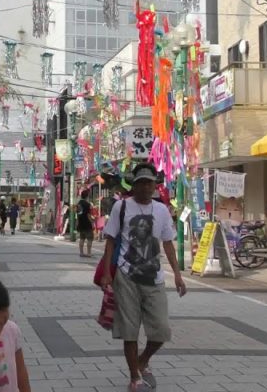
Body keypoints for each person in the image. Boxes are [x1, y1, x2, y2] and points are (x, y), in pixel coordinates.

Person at [100, 162, 186, 392]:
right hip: (126, 276)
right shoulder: (122, 207)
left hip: (154, 278)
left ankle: (143, 360)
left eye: (150, 183)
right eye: (142, 183)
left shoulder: (161, 210)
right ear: (134, 185)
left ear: (155, 186)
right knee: (129, 330)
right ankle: (134, 377)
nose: (146, 187)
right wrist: (108, 272)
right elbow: (110, 240)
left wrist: (177, 275)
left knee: (161, 330)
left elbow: (167, 243)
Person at [76, 189, 95, 257]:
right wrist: (92, 223)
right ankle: (88, 253)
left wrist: (77, 223)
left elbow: (78, 214)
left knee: (82, 238)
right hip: (87, 223)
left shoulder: (78, 204)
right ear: (87, 196)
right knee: (90, 238)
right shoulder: (87, 204)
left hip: (81, 222)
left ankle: (81, 252)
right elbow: (88, 215)